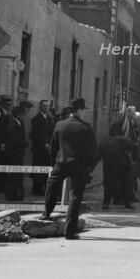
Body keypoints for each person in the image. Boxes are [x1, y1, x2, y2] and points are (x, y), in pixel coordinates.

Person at [42, 98, 98, 240]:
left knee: (52, 186)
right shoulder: (86, 127)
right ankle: (70, 231)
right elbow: (93, 151)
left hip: (61, 163)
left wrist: (53, 163)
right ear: (79, 111)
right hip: (79, 165)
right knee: (75, 197)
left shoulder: (60, 125)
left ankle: (46, 213)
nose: (84, 113)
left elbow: (53, 147)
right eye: (83, 110)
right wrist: (90, 167)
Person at [29, 99, 55, 195]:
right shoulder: (36, 119)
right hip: (39, 149)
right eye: (44, 106)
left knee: (47, 169)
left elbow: (52, 133)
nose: (46, 108)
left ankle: (45, 187)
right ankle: (37, 189)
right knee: (38, 170)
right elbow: (35, 135)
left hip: (49, 150)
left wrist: (52, 144)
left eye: (48, 106)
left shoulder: (51, 119)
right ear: (40, 107)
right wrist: (44, 144)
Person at [3, 106, 29, 201]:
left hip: (17, 155)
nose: (24, 117)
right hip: (14, 156)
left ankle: (16, 196)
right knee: (13, 178)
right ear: (18, 115)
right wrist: (26, 143)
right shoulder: (13, 126)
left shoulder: (18, 124)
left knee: (17, 177)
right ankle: (11, 197)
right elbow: (16, 141)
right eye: (23, 115)